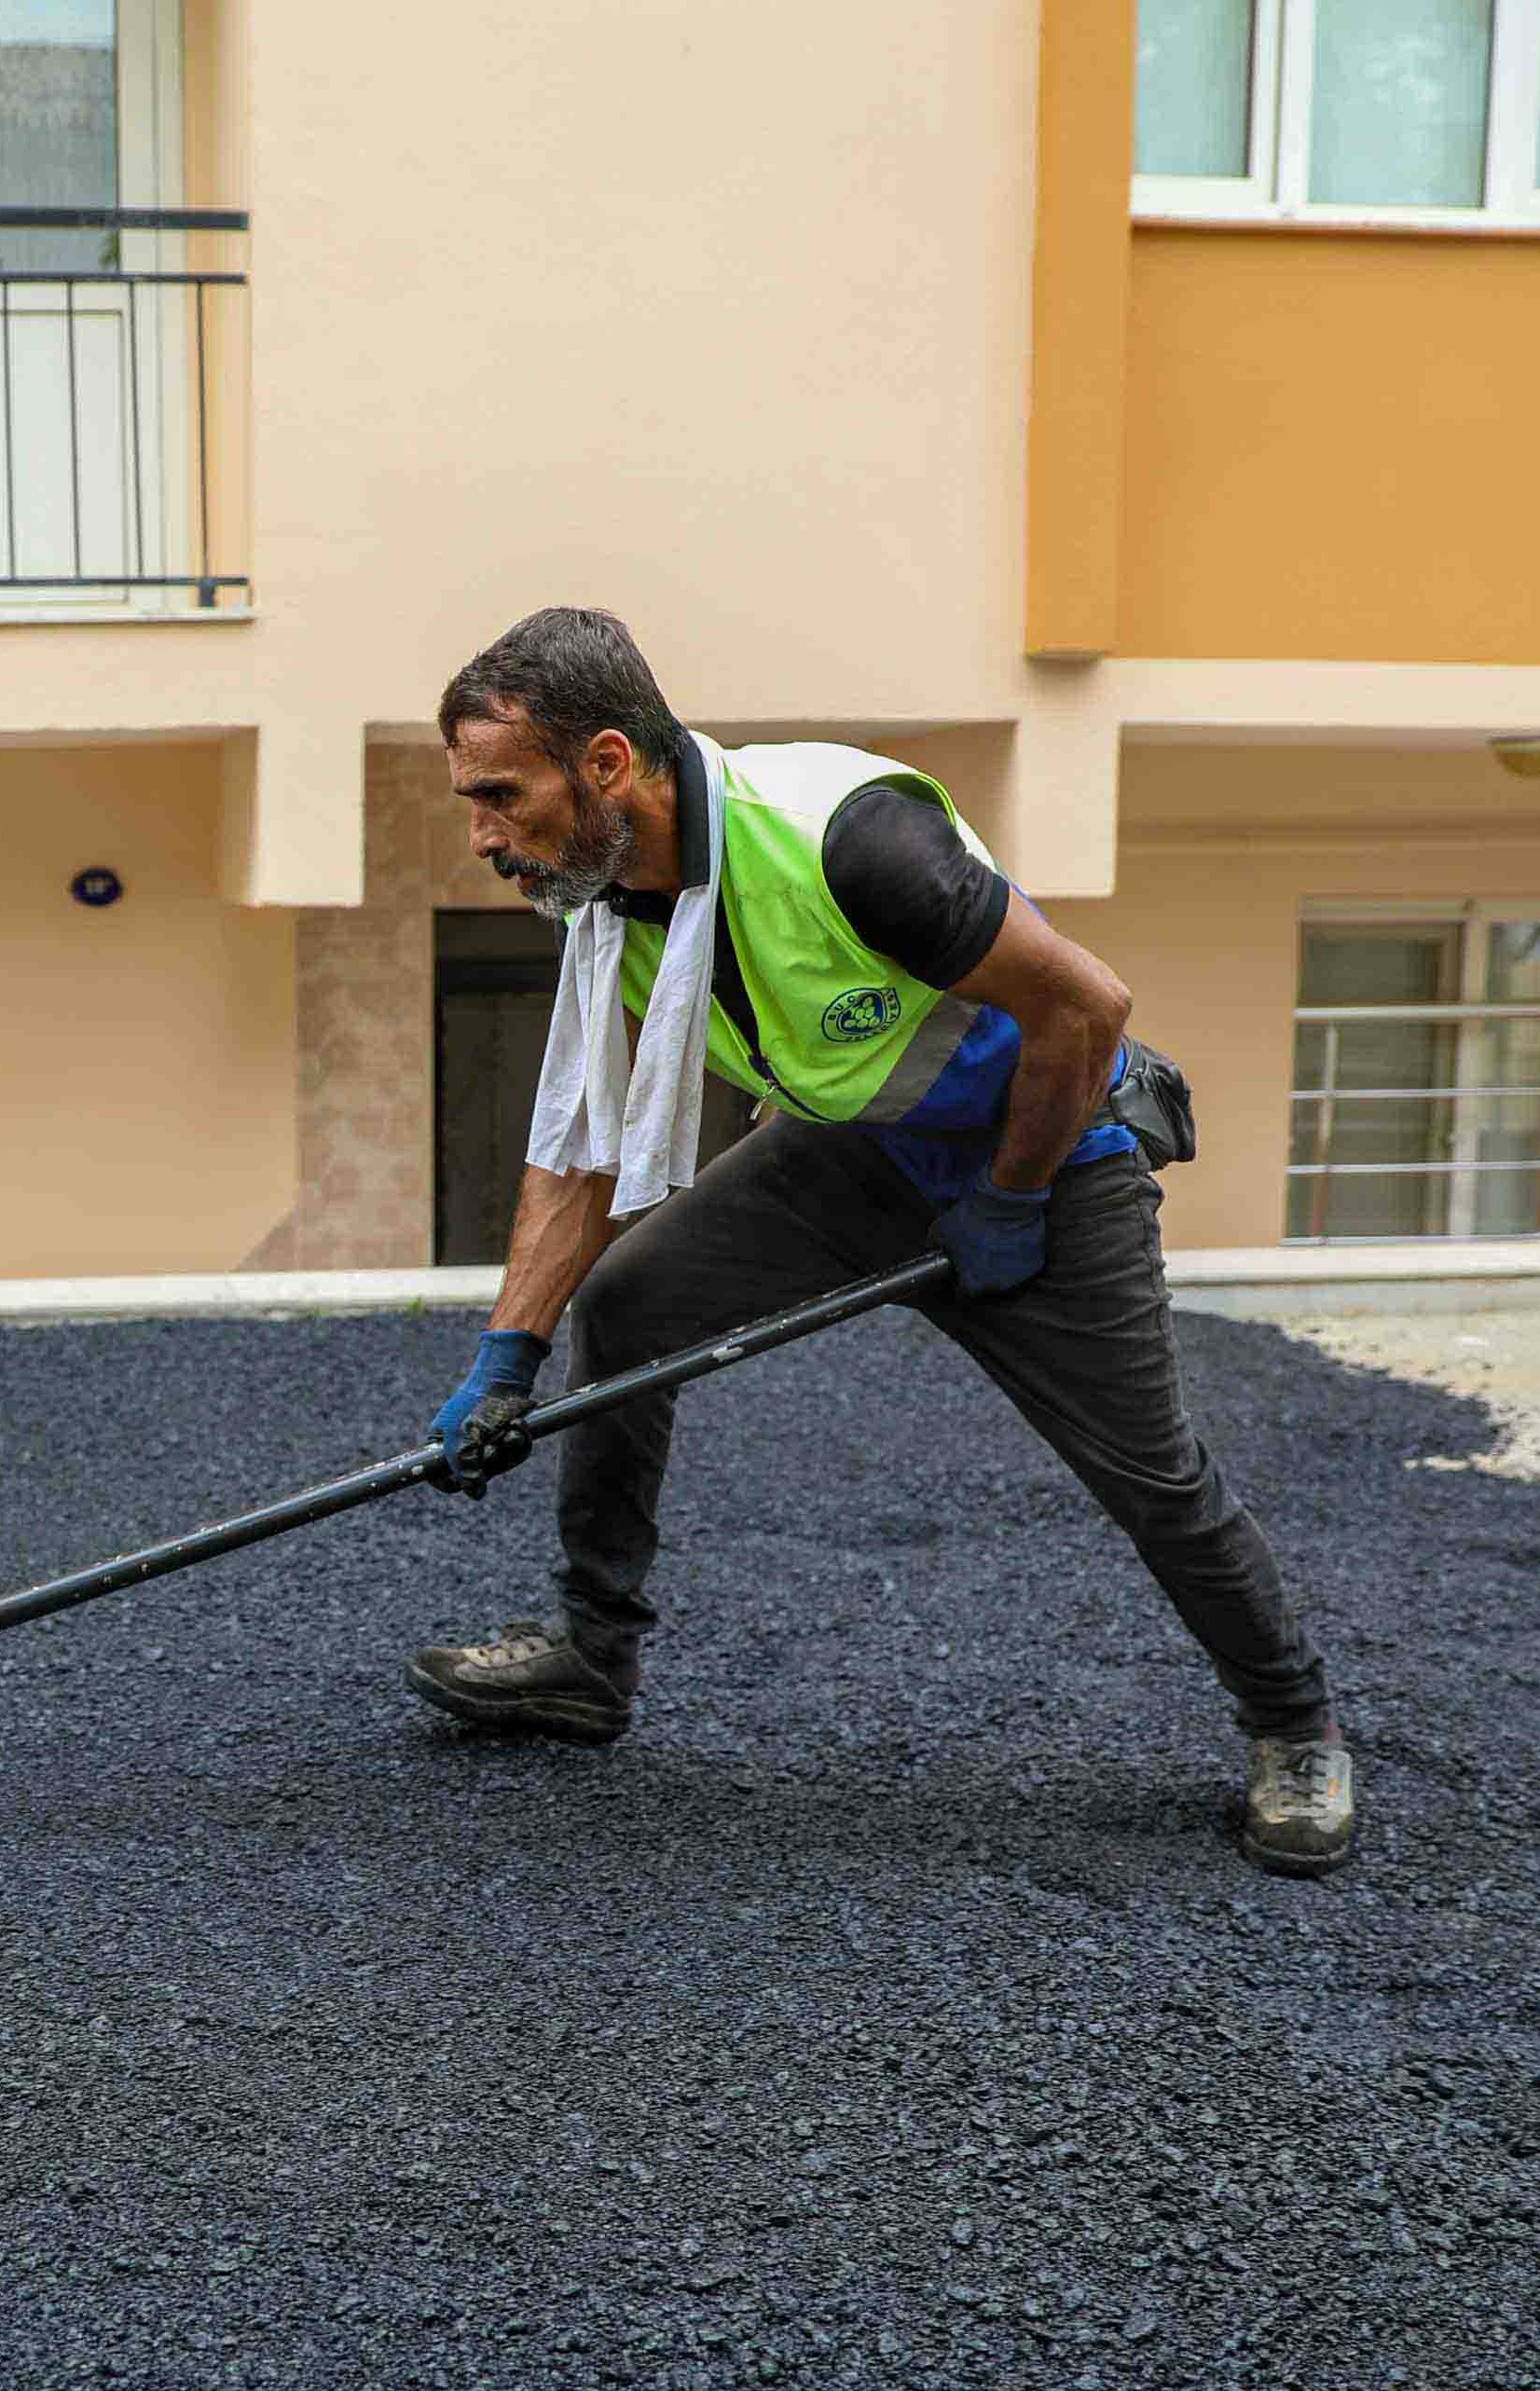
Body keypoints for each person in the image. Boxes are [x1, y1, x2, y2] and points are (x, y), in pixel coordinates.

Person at [406, 607, 1354, 1874]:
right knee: (628, 1308)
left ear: (608, 764)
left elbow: (1087, 1007)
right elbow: (579, 1148)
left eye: (498, 796)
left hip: (1045, 1159)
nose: (481, 835)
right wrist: (507, 1359)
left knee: (1149, 1474)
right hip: (849, 1154)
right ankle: (592, 1658)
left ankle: (1293, 1727)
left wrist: (1012, 1195)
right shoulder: (607, 898)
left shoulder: (850, 840)